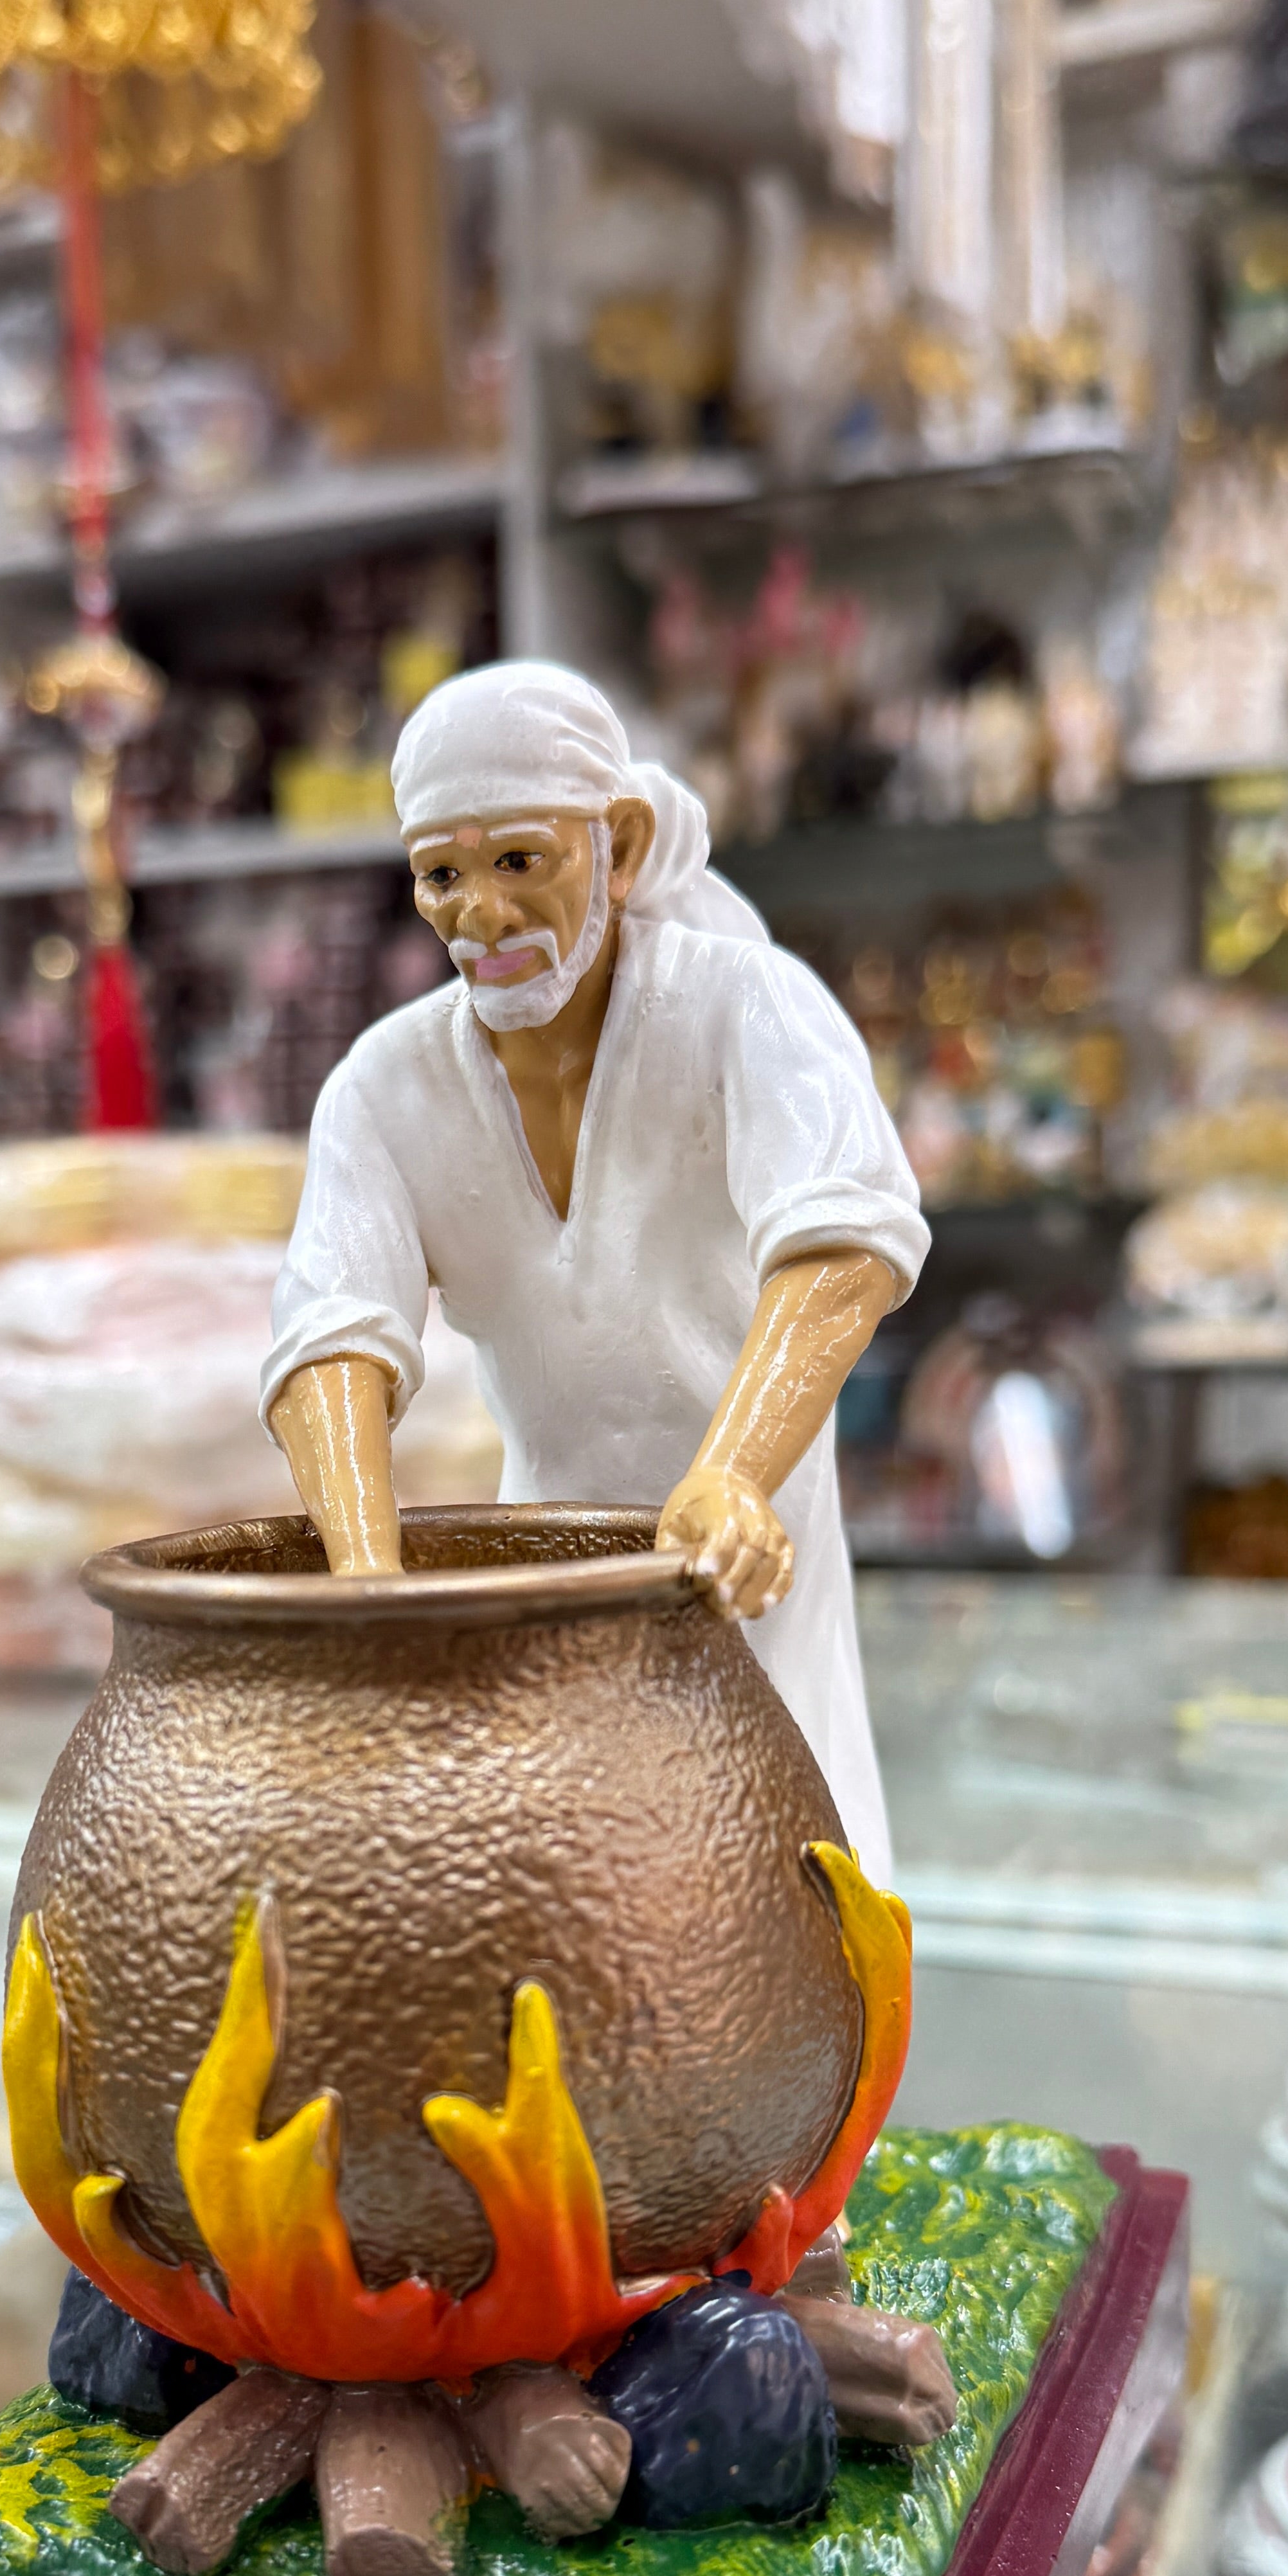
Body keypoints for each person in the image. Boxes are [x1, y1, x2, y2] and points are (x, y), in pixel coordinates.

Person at [260, 658, 928, 1878]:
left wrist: (731, 1479)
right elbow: (330, 1338)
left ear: (615, 845)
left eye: (521, 863)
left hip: (744, 1562)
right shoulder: (382, 1086)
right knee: (569, 1911)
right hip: (544, 1578)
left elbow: (841, 1246)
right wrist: (370, 1586)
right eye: (441, 877)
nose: (482, 916)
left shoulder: (747, 1007)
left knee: (778, 1881)